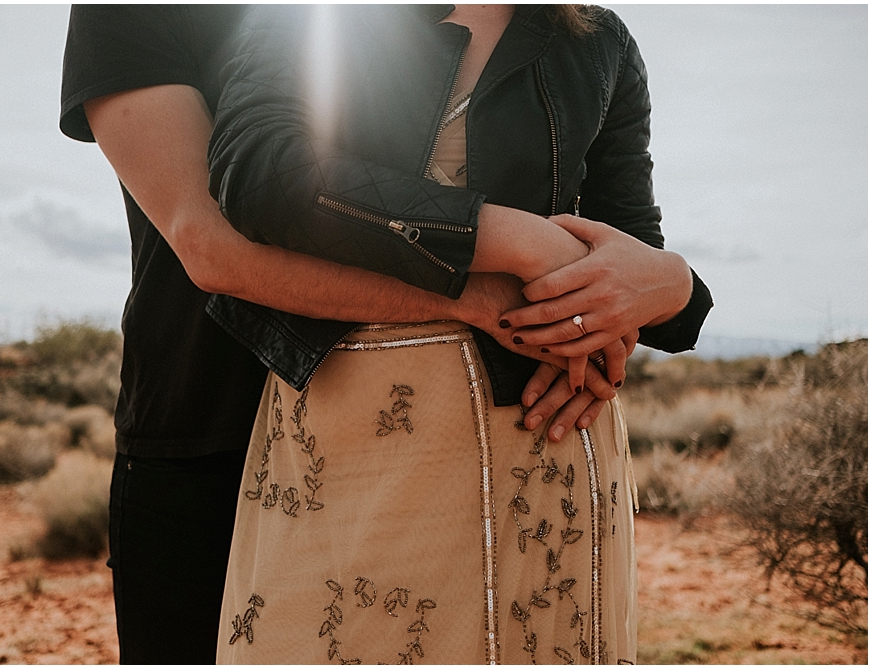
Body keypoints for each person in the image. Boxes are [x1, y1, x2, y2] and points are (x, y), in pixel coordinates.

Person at [58, 4, 635, 663]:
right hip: (203, 424)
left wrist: (641, 290)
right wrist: (481, 297)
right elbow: (211, 247)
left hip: (389, 439)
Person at [207, 5, 712, 664]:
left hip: (548, 441)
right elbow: (256, 173)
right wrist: (508, 236)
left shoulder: (598, 38)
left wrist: (674, 284)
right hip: (352, 442)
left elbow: (630, 248)